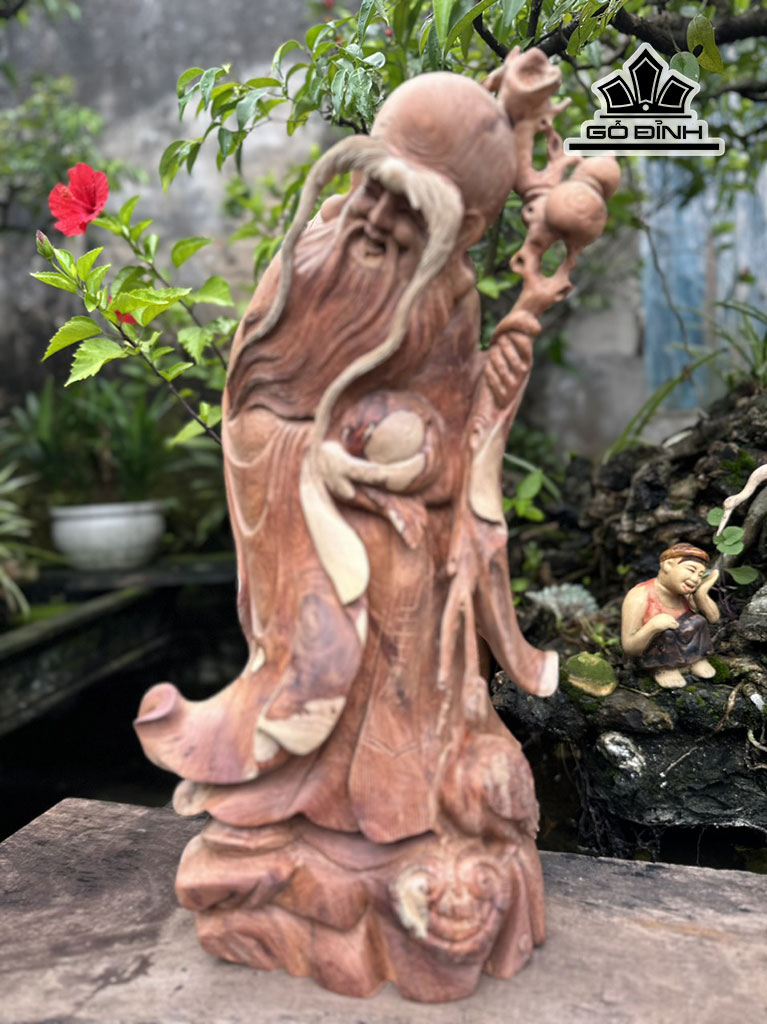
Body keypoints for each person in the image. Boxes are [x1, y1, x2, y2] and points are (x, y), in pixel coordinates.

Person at [621, 543, 720, 688]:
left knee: (699, 621)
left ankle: (696, 660)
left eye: (700, 575)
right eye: (691, 570)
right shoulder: (640, 596)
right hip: (654, 656)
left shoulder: (685, 595)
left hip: (688, 654)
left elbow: (713, 618)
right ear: (668, 565)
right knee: (666, 632)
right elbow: (630, 647)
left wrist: (701, 593)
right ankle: (664, 669)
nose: (695, 579)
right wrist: (653, 626)